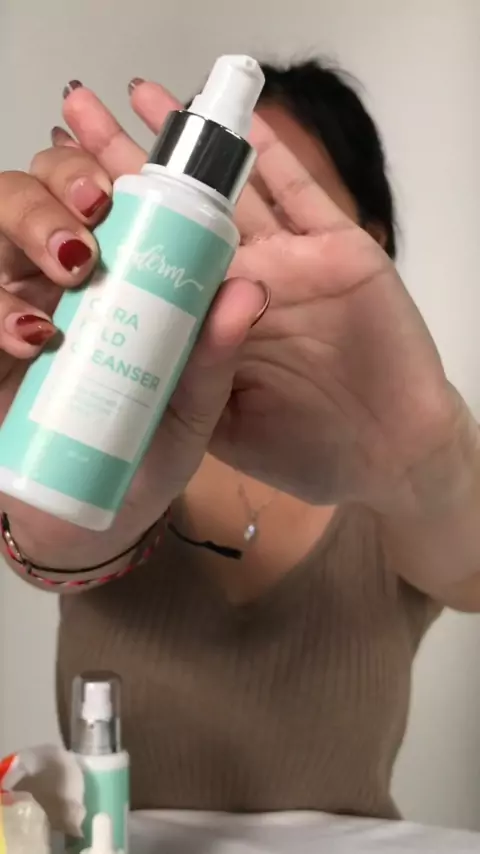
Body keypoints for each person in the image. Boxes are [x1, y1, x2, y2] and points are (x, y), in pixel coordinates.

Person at [0, 59, 479, 820]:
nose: (238, 249)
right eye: (232, 198)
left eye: (278, 206)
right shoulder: (129, 426)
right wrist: (55, 503)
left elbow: (470, 573)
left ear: (371, 238)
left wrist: (425, 453)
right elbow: (56, 544)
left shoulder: (390, 470)